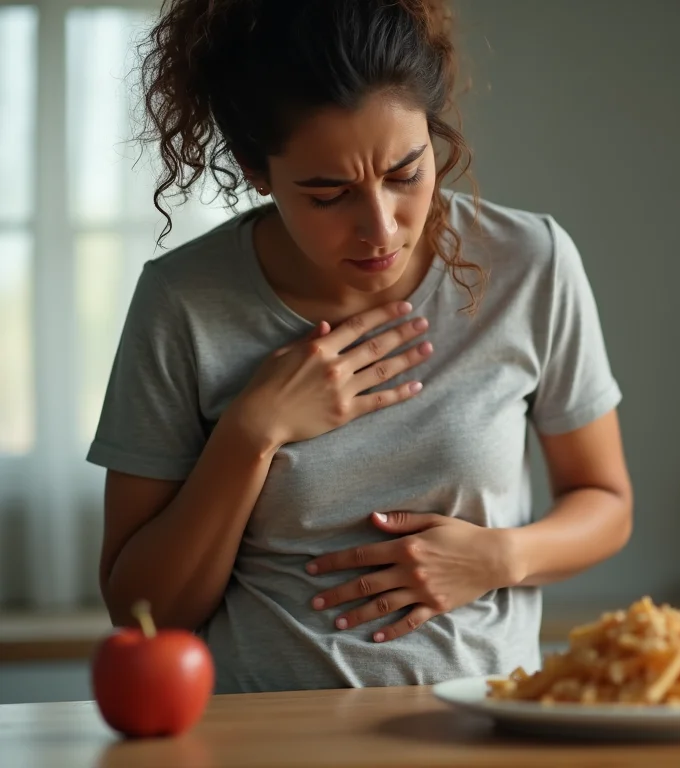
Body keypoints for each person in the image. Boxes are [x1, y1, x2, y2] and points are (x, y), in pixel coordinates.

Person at [88, 0, 632, 694]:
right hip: (263, 738)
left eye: (406, 173)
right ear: (258, 172)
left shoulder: (530, 263)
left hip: (486, 728)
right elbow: (143, 612)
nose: (380, 228)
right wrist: (251, 433)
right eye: (327, 194)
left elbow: (605, 503)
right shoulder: (182, 301)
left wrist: (498, 556)